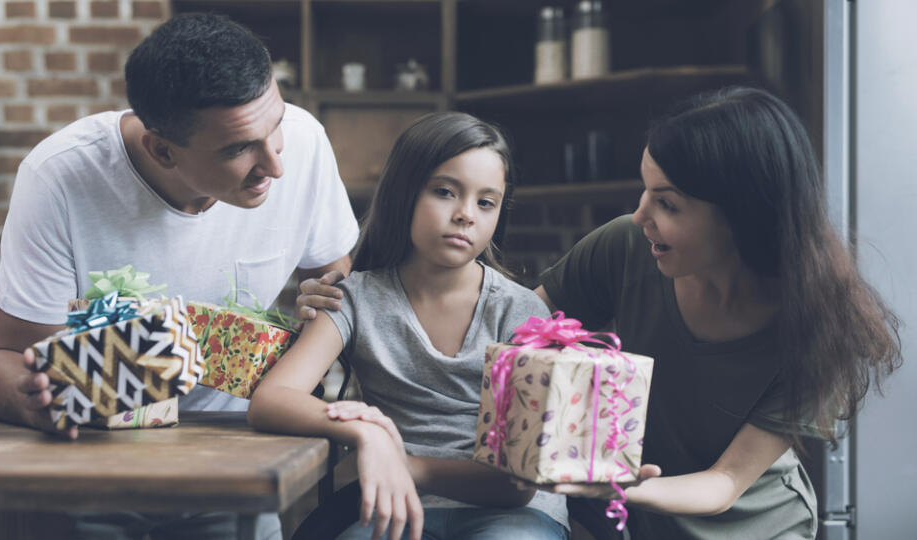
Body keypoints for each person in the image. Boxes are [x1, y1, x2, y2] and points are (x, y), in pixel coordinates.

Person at [298, 87, 903, 539]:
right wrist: (351, 289)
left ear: (740, 215)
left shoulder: (819, 332)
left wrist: (611, 484)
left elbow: (722, 487)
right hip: (632, 524)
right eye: (645, 191)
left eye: (666, 203)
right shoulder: (627, 246)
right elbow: (508, 334)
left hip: (751, 527)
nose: (641, 216)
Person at [0, 13, 358, 539]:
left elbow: (333, 269)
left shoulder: (304, 141)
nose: (274, 165)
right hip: (90, 470)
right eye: (237, 150)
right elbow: (6, 356)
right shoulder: (59, 177)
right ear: (161, 148)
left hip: (237, 462)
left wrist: (323, 295)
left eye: (274, 128)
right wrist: (39, 403)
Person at [248, 112, 569, 540]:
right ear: (404, 193)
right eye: (444, 192)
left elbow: (516, 487)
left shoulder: (521, 311)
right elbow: (272, 399)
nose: (465, 215)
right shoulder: (355, 298)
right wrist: (368, 432)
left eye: (485, 202)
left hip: (515, 516)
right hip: (391, 504)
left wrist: (405, 463)